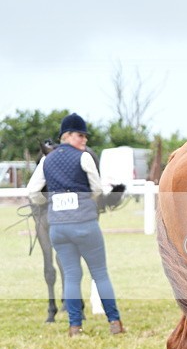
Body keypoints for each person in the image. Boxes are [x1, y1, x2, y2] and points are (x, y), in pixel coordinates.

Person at [27, 112, 125, 337]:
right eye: (81, 135)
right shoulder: (84, 158)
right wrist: (86, 203)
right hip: (84, 225)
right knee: (100, 273)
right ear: (67, 135)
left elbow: (32, 191)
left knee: (71, 275)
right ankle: (115, 323)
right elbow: (97, 189)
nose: (85, 140)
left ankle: (74, 327)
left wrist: (49, 201)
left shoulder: (46, 160)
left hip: (59, 228)